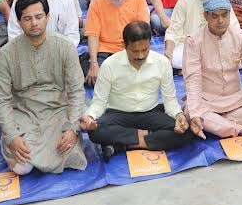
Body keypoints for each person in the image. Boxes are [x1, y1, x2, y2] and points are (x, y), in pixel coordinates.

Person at [0, 0, 87, 175]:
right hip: (22, 111)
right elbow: (2, 100)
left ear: (47, 17)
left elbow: (76, 91)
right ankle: (12, 142)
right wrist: (12, 136)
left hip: (58, 109)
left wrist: (72, 129)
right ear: (19, 22)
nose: (34, 23)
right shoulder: (6, 54)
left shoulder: (65, 47)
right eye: (27, 19)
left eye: (39, 17)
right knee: (23, 166)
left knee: (70, 155)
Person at [80, 21, 193, 158]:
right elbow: (99, 101)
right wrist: (90, 117)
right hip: (118, 113)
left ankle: (123, 144)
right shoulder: (109, 65)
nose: (140, 56)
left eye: (144, 50)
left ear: (150, 44)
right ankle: (148, 137)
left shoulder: (162, 63)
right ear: (124, 46)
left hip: (150, 111)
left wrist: (178, 115)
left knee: (186, 130)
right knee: (96, 132)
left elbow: (169, 100)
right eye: (135, 51)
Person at [183, 0, 242, 139]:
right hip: (207, 100)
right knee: (191, 111)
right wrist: (195, 114)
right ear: (205, 16)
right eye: (215, 16)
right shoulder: (194, 41)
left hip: (236, 98)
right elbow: (192, 78)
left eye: (225, 15)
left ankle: (219, 125)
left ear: (230, 14)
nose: (221, 21)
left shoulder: (240, 36)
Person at [82, 0, 151, 85]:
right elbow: (93, 35)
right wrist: (94, 63)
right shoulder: (96, 2)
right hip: (104, 50)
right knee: (94, 77)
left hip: (131, 48)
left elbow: (143, 30)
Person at [164, 0, 239, 69]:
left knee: (239, 57)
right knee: (173, 60)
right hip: (189, 46)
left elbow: (234, 27)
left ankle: (198, 67)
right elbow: (174, 30)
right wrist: (169, 51)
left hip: (217, 45)